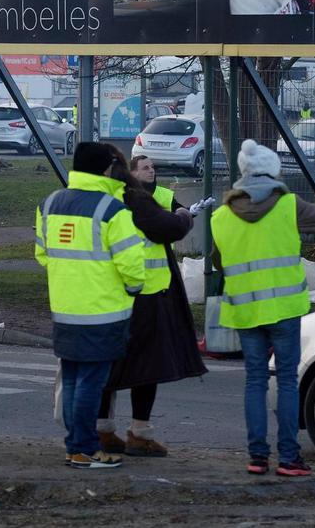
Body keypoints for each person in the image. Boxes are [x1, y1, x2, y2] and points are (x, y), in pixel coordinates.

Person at [211, 139, 315, 477]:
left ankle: (257, 458)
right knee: (287, 381)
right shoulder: (289, 205)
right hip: (285, 308)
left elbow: (219, 262)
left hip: (246, 310)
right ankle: (289, 458)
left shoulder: (220, 216)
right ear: (273, 171)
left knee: (255, 381)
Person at [37, 142, 144, 469]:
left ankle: (74, 446)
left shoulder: (50, 203)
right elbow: (131, 265)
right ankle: (83, 448)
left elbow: (42, 254)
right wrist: (132, 288)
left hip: (65, 309)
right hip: (103, 311)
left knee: (71, 378)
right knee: (91, 384)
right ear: (106, 169)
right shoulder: (113, 210)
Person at [99, 155, 206, 457]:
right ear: (128, 176)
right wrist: (185, 218)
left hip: (107, 296)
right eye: (143, 168)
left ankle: (102, 430)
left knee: (109, 364)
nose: (151, 171)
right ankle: (139, 433)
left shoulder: (98, 203)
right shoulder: (135, 202)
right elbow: (169, 227)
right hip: (147, 294)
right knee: (147, 366)